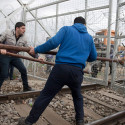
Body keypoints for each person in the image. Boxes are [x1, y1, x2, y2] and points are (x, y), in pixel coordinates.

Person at [18, 17, 97, 125]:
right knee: (77, 96)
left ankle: (28, 122)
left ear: (74, 23)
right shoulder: (89, 37)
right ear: (85, 25)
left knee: (46, 95)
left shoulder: (66, 29)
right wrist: (81, 55)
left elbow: (53, 42)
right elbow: (93, 57)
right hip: (77, 72)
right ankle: (80, 121)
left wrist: (36, 49)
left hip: (61, 69)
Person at [0, 22, 35, 92]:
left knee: (23, 70)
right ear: (17, 28)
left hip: (15, 56)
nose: (24, 30)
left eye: (24, 28)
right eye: (23, 28)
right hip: (5, 55)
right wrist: (1, 48)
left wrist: (37, 56)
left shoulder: (24, 38)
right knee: (4, 74)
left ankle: (26, 87)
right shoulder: (7, 32)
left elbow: (28, 49)